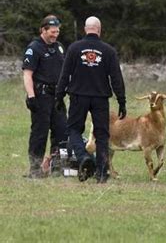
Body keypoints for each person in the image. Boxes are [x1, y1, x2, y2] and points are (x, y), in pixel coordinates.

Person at [55, 16, 126, 183]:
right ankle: (102, 173)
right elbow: (116, 78)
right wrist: (122, 101)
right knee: (102, 135)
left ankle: (83, 157)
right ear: (99, 30)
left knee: (73, 130)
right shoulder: (108, 51)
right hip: (100, 98)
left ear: (85, 29)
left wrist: (59, 96)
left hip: (78, 96)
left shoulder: (74, 48)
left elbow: (64, 75)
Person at [22, 15, 68, 178]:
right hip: (41, 96)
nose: (55, 35)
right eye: (52, 32)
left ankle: (58, 167)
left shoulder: (60, 48)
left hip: (57, 97)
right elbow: (27, 74)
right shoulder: (34, 48)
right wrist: (31, 96)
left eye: (57, 31)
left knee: (62, 131)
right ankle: (35, 169)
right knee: (40, 133)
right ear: (43, 30)